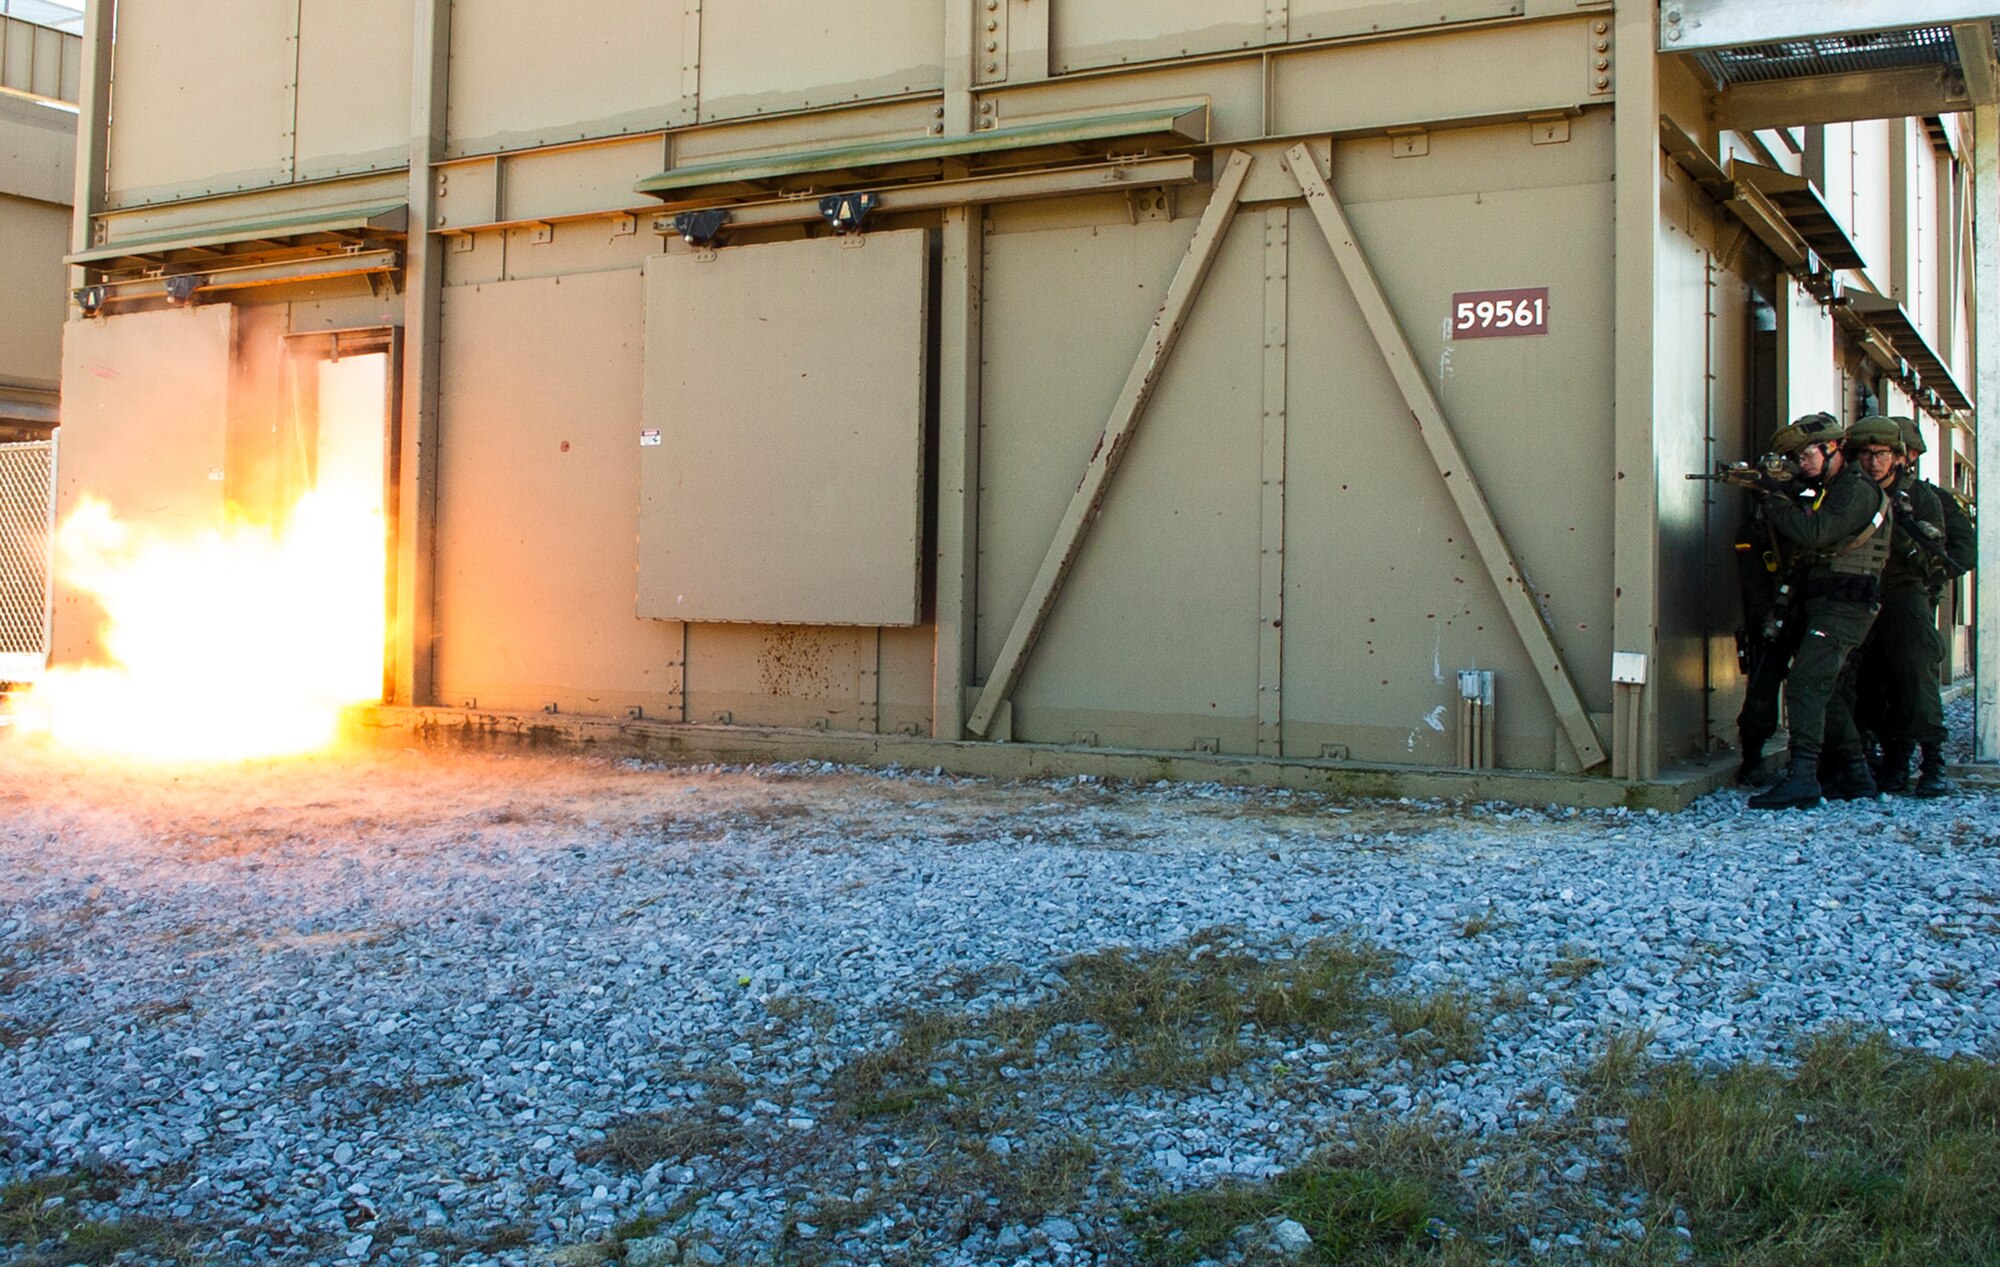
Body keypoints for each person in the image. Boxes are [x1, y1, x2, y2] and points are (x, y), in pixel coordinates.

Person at [1746, 413, 1893, 811]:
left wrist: (1771, 497)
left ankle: (1803, 778)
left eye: (1806, 454)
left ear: (1833, 450)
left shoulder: (1854, 489)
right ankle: (1858, 777)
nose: (1802, 463)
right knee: (1826, 693)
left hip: (1844, 606)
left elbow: (1815, 532)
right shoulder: (1829, 487)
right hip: (1830, 603)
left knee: (1805, 684)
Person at [1840, 416, 1947, 797]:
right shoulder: (1849, 491)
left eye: (1882, 454)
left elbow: (1933, 560)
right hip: (1857, 589)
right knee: (1858, 676)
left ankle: (1931, 758)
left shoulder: (1919, 497)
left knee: (1916, 669)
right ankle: (1872, 757)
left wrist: (1900, 528)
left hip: (1903, 589)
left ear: (1899, 457)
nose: (1873, 463)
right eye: (1865, 454)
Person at [1732, 425, 1821, 785]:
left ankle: (1819, 760)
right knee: (1764, 681)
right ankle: (1752, 755)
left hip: (1813, 604)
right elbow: (1752, 577)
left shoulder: (1817, 500)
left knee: (1820, 686)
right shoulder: (1759, 522)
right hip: (1774, 608)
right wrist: (1766, 615)